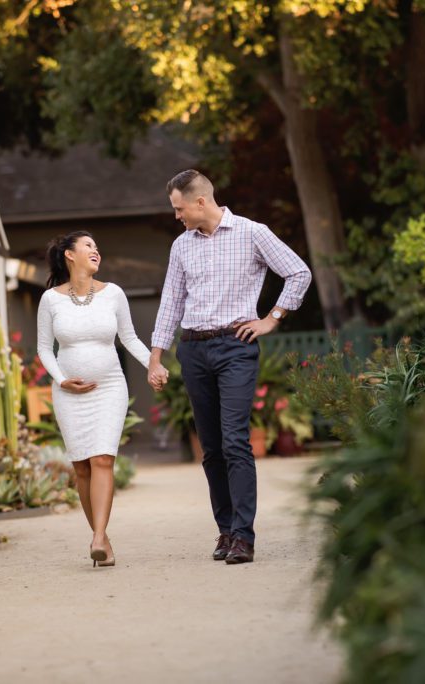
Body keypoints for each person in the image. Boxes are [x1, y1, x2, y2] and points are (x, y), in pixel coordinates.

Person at [147, 169, 312, 564]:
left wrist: (271, 318)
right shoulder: (181, 246)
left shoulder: (252, 233)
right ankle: (225, 531)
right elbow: (171, 301)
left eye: (179, 208)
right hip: (193, 349)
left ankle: (243, 535)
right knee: (212, 449)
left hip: (236, 346)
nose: (176, 216)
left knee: (236, 440)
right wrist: (156, 356)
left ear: (200, 201)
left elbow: (298, 272)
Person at [37, 231, 156, 568]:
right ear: (69, 255)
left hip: (108, 389)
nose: (95, 250)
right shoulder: (50, 300)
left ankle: (98, 537)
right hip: (67, 393)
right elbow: (44, 349)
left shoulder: (113, 294)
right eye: (88, 245)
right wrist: (62, 380)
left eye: (97, 246)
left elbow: (129, 337)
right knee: (82, 467)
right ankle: (102, 539)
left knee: (102, 459)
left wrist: (153, 365)